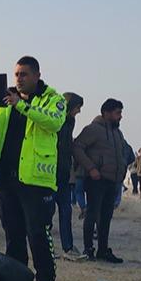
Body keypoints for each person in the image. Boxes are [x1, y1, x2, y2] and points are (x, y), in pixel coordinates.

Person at [0, 56, 66, 281]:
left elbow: (54, 123)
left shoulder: (52, 99)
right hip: (7, 182)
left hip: (36, 183)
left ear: (37, 75)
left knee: (38, 237)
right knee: (13, 238)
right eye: (16, 74)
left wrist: (22, 105)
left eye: (24, 74)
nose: (19, 78)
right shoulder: (6, 103)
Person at [72, 98, 130, 262]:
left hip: (113, 181)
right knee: (92, 214)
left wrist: (123, 169)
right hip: (97, 180)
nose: (120, 116)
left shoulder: (117, 133)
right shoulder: (93, 129)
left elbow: (122, 154)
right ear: (106, 113)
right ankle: (88, 250)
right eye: (118, 113)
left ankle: (103, 250)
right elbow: (77, 147)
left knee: (106, 217)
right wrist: (91, 168)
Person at [54, 92, 85, 259]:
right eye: (78, 108)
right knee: (47, 213)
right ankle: (48, 249)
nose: (79, 111)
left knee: (66, 210)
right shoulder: (55, 121)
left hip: (64, 172)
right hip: (50, 173)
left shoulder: (70, 122)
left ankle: (68, 247)